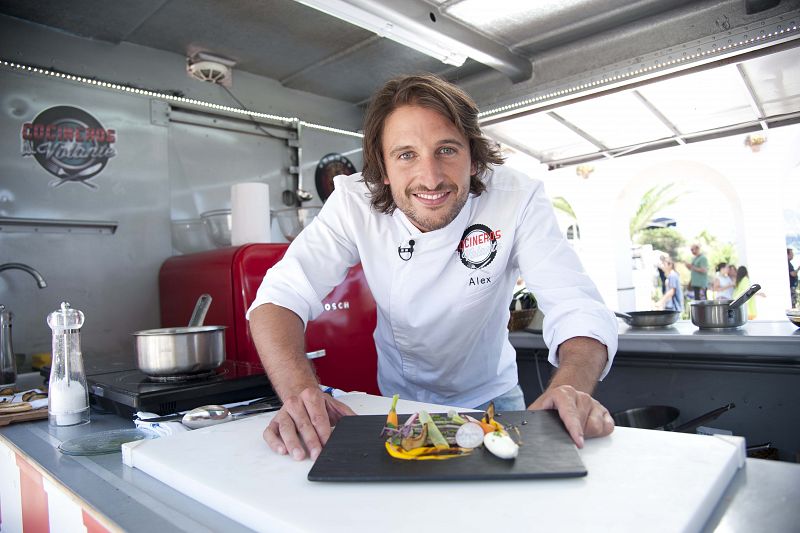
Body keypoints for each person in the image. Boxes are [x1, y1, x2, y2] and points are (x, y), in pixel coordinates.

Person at [246, 74, 618, 461]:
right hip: (401, 402)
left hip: (495, 398)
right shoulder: (354, 203)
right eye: (406, 154)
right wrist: (301, 391)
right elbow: (280, 297)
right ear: (383, 170)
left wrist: (571, 386)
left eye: (447, 150)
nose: (430, 177)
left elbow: (576, 305)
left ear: (473, 159)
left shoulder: (516, 198)